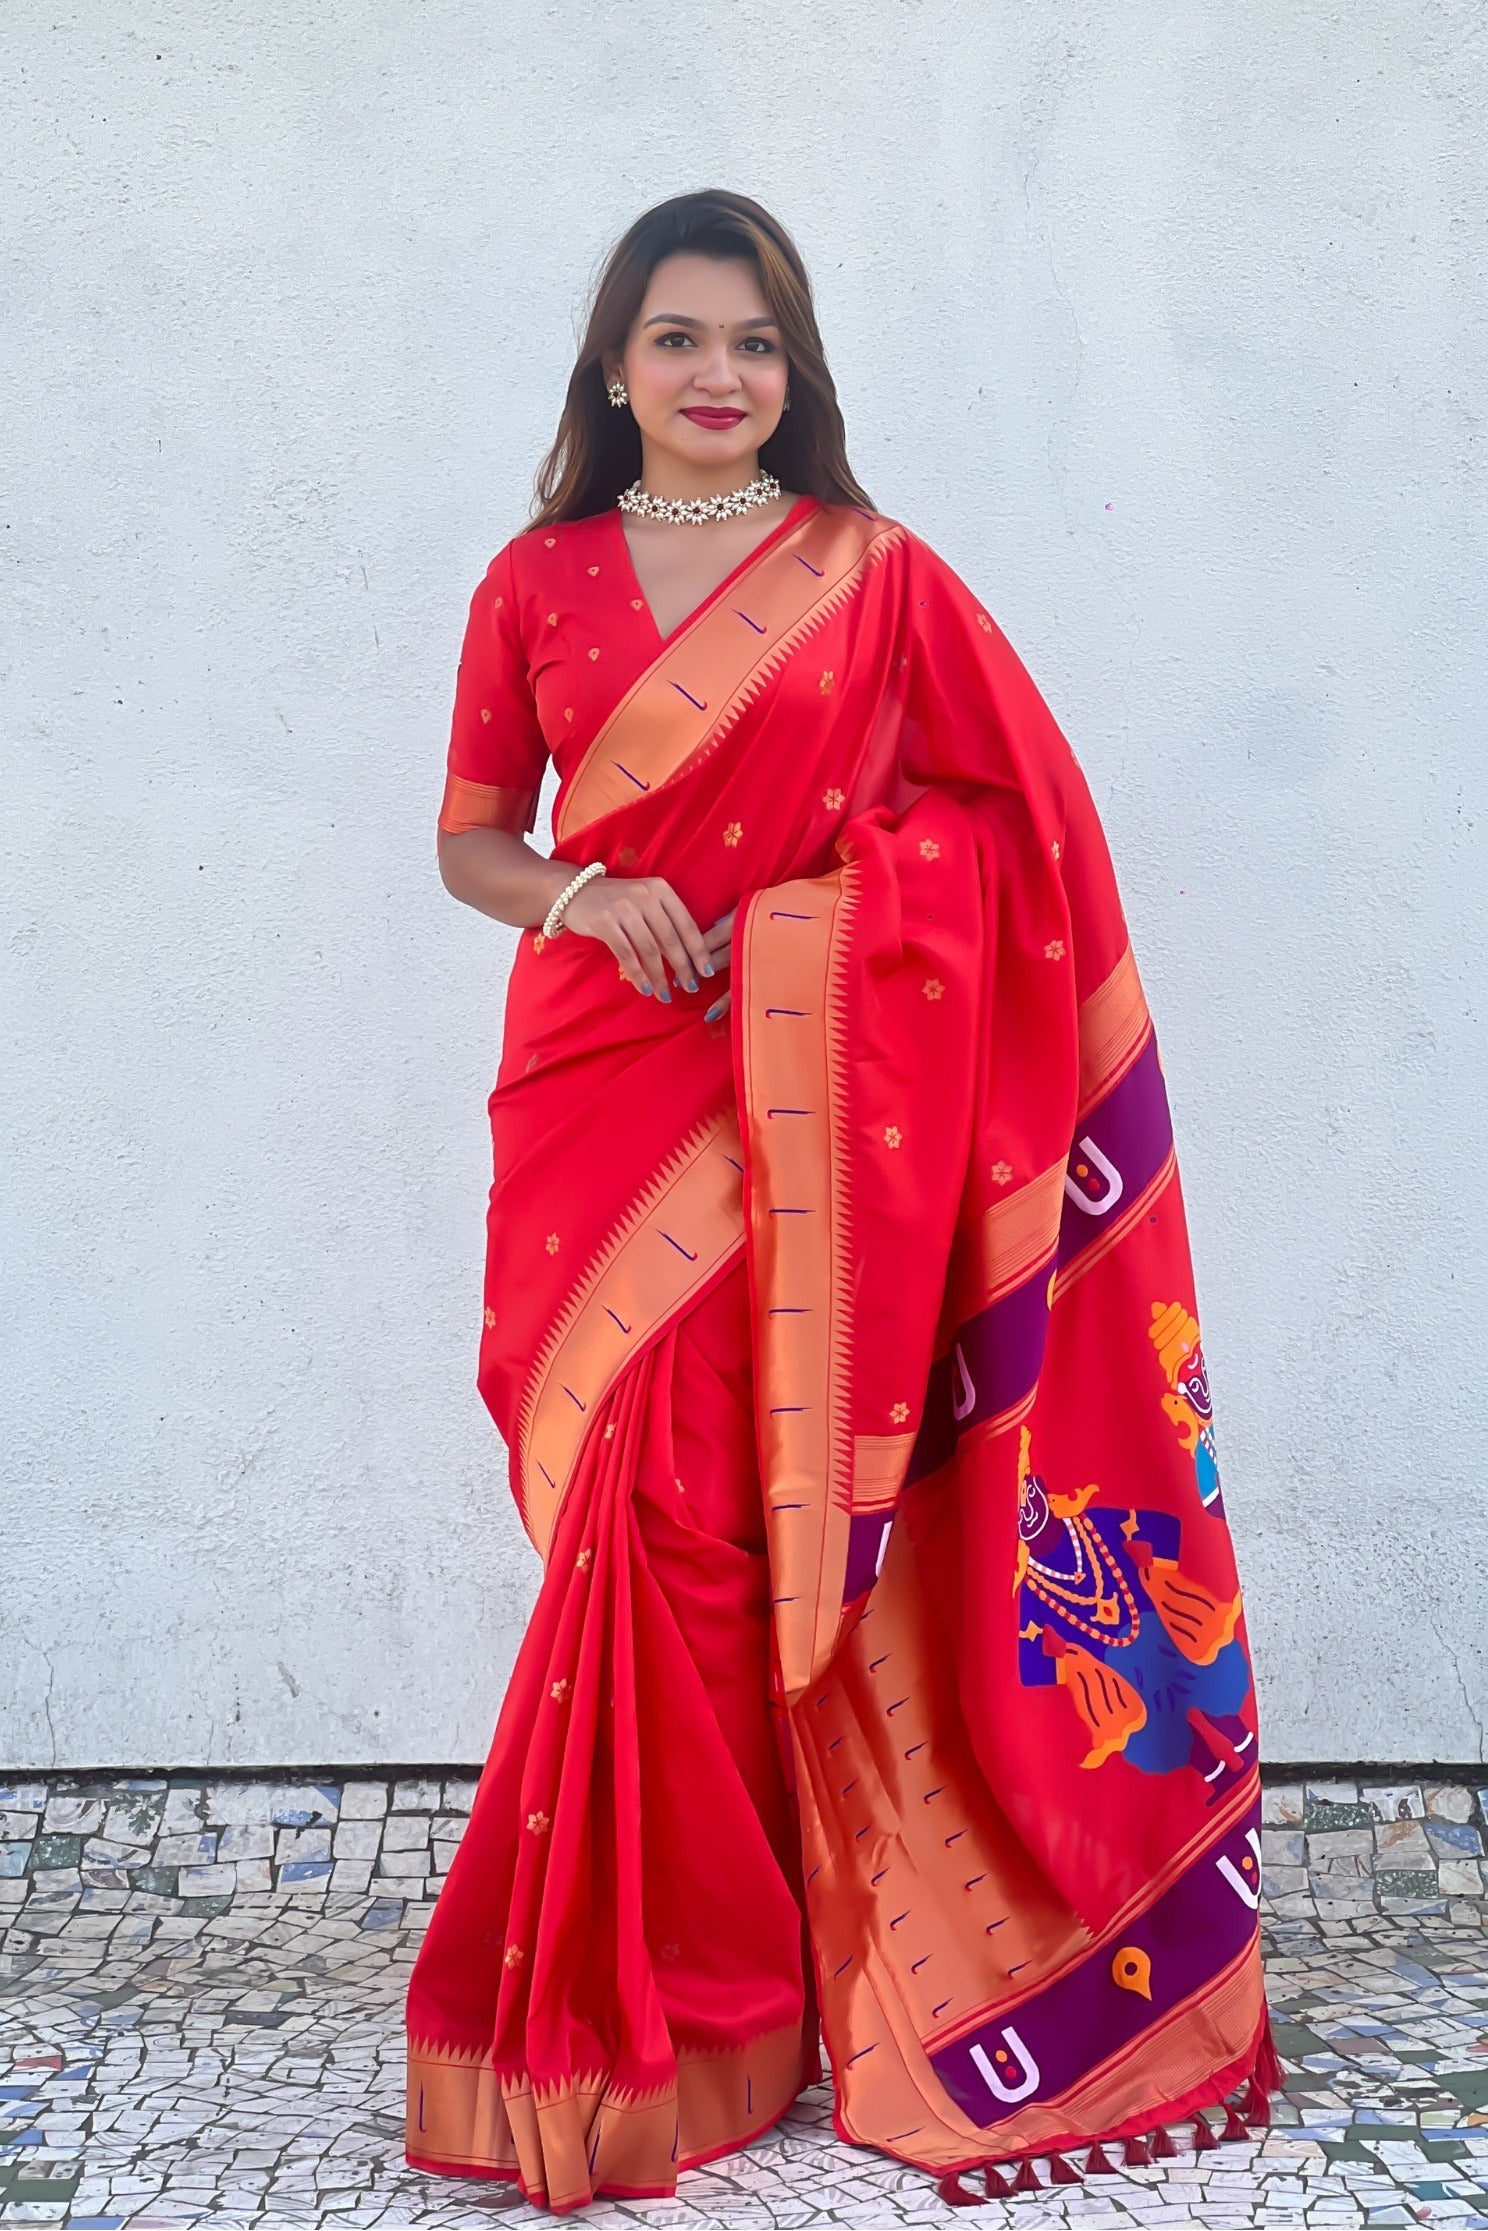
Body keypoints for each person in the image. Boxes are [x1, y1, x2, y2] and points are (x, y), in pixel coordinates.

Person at [404, 188, 1279, 2215]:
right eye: (682, 338)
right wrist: (586, 895)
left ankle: (733, 1982)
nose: (720, 376)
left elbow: (1017, 832)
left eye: (757, 345)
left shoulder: (876, 579)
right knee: (626, 1515)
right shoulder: (532, 583)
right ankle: (701, 1992)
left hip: (806, 1111)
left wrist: (831, 934)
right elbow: (468, 842)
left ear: (797, 377)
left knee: (715, 1522)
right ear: (612, 368)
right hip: (597, 1095)